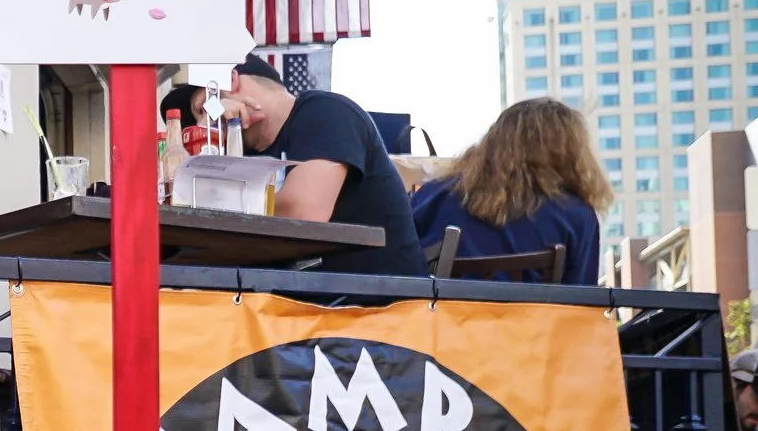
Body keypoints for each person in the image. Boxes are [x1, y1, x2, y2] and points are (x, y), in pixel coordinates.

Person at [224, 57, 428, 277]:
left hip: (378, 292)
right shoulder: (242, 151)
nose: (204, 123)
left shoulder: (327, 112)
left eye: (203, 108)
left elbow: (302, 214)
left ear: (231, 81)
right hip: (302, 292)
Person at [410, 98, 608, 286]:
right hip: (535, 313)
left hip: (439, 311)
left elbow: (400, 265)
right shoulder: (577, 216)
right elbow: (581, 300)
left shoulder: (435, 195)